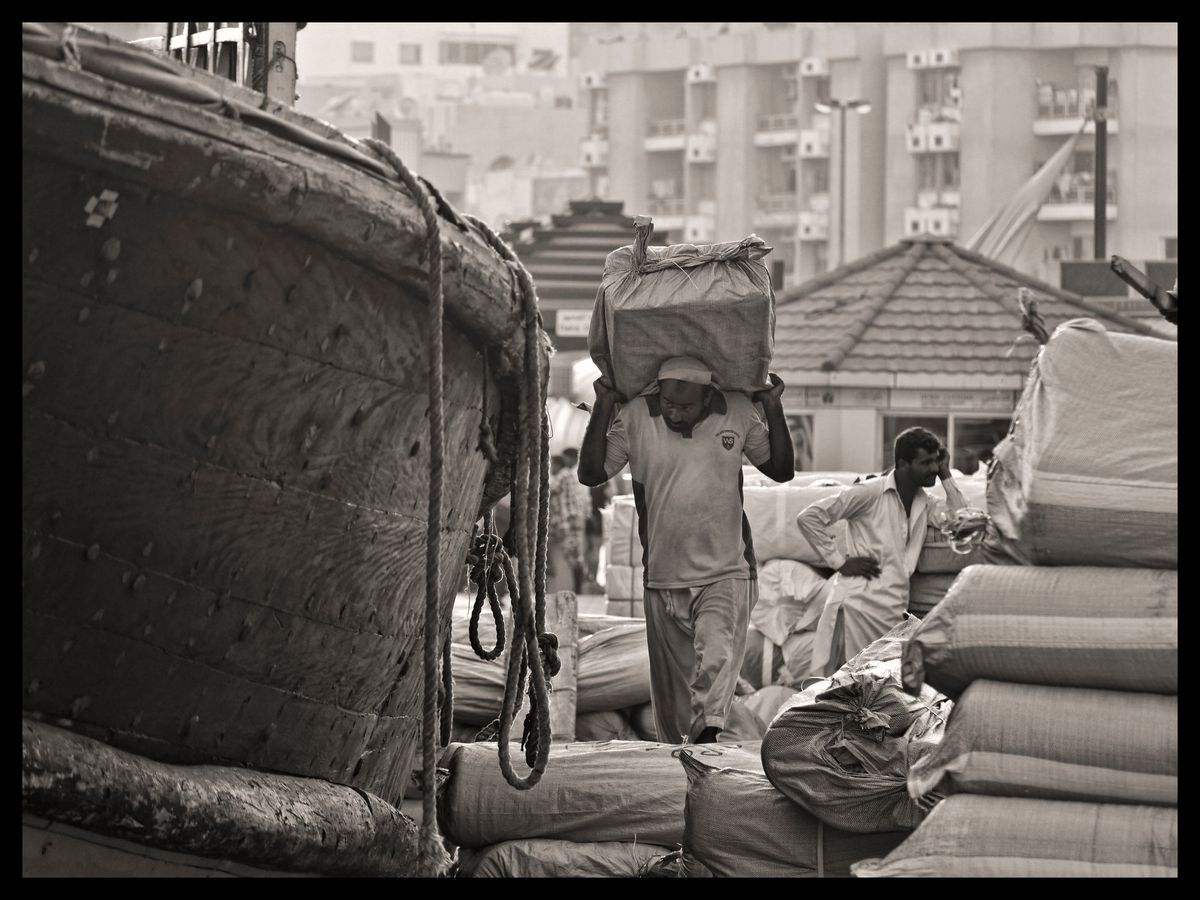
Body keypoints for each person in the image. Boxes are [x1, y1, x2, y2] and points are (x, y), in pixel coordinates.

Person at [578, 357, 795, 744]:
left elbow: (781, 470)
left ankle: (709, 739)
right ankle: (681, 760)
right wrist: (603, 405)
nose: (675, 413)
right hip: (662, 576)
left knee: (716, 660)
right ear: (658, 393)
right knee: (673, 698)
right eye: (669, 404)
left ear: (708, 397)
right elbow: (590, 473)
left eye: (686, 406)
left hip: (726, 571)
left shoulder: (737, 412)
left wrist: (772, 406)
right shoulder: (635, 417)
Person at [795, 427, 966, 675]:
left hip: (893, 610)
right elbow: (810, 517)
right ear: (903, 464)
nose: (933, 468)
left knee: (879, 686)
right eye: (926, 462)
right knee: (853, 684)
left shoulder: (924, 502)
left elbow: (962, 522)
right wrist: (839, 562)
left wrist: (947, 475)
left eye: (935, 461)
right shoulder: (870, 492)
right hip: (858, 608)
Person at [547, 449, 590, 594]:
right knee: (575, 552)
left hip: (566, 521)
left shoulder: (563, 475)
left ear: (557, 465)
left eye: (552, 465)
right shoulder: (571, 475)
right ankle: (577, 584)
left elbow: (548, 491)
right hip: (573, 519)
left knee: (569, 552)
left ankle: (576, 584)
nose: (550, 468)